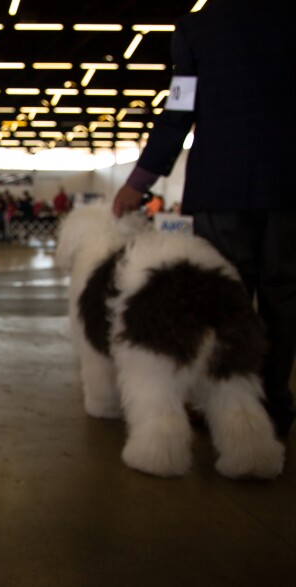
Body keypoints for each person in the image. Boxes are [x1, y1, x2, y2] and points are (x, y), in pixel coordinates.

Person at [111, 0, 295, 437]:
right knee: (284, 300)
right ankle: (275, 407)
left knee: (223, 303)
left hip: (222, 187)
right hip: (289, 184)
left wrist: (140, 180)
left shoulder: (198, 29)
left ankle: (227, 411)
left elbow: (178, 112)